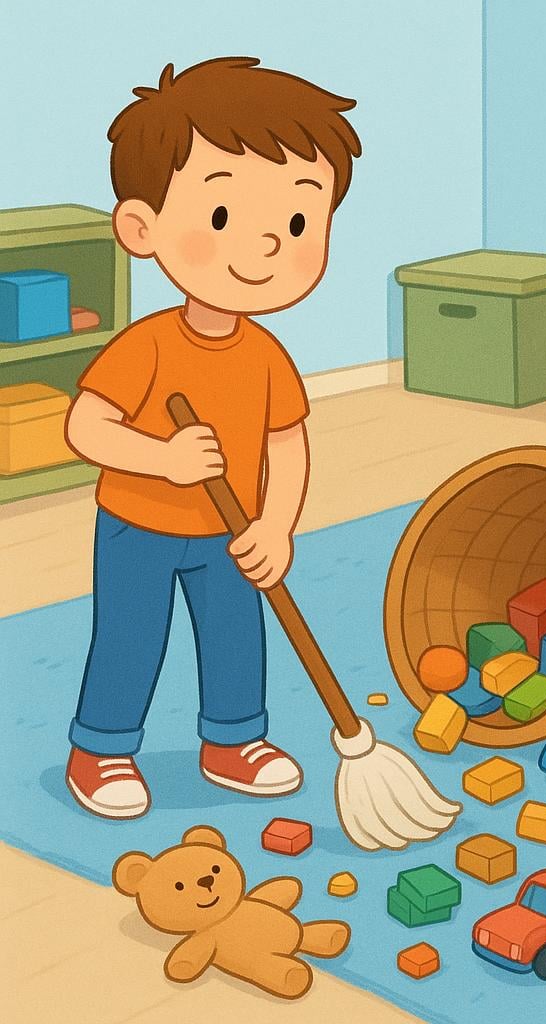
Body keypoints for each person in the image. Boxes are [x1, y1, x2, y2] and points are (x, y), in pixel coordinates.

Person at [64, 58, 361, 818]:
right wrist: (161, 458)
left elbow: (286, 443)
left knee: (237, 635)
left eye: (298, 222)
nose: (266, 245)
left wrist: (277, 525)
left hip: (233, 532)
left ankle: (233, 739)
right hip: (139, 525)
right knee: (132, 636)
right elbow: (86, 425)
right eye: (225, 217)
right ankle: (101, 748)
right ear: (141, 227)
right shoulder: (151, 346)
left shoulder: (266, 356)